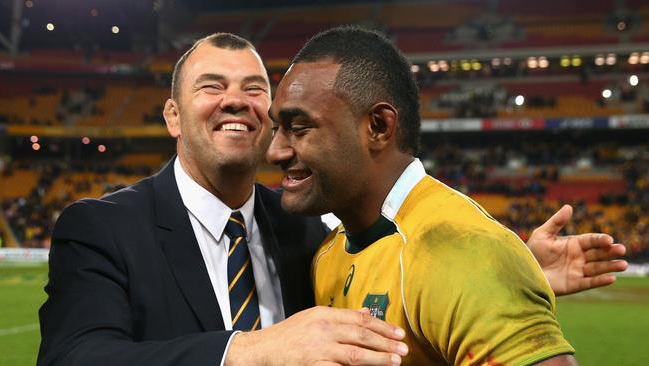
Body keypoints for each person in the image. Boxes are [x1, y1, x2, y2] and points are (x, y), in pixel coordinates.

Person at [39, 31, 625, 366]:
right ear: (172, 115)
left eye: (254, 89)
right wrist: (247, 352)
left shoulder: (309, 234)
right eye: (211, 86)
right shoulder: (100, 228)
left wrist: (500, 268)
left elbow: (398, 288)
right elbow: (74, 360)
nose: (236, 101)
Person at [266, 26, 625, 365]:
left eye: (299, 128)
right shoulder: (328, 253)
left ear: (378, 127)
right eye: (276, 128)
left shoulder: (461, 250)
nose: (275, 152)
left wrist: (489, 272)